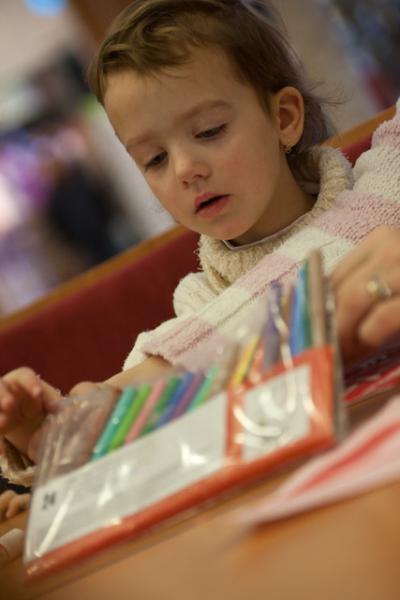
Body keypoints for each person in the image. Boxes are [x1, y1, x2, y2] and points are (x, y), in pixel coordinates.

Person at [0, 0, 400, 495]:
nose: (186, 169)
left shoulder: (380, 183)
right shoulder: (192, 312)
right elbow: (144, 456)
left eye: (209, 131)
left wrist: (131, 395)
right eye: (155, 159)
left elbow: (366, 223)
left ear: (284, 118)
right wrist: (62, 445)